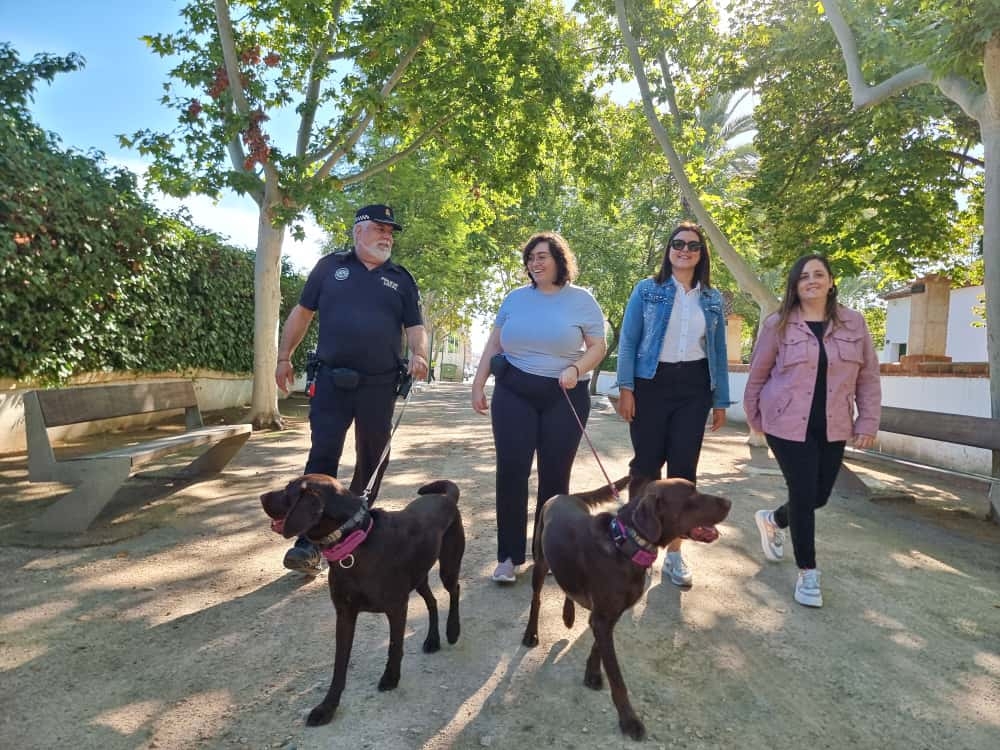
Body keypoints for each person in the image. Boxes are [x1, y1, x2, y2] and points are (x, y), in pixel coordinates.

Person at [274, 204, 429, 574]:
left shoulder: (401, 279)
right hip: (331, 380)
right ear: (358, 231)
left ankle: (354, 530)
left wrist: (419, 354)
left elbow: (415, 326)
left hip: (378, 386)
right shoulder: (329, 268)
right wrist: (283, 357)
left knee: (373, 459)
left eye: (391, 230)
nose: (387, 236)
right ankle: (307, 541)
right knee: (322, 457)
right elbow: (302, 312)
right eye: (379, 228)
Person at [743, 254, 880, 608]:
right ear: (795, 285)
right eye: (804, 276)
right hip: (785, 424)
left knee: (819, 496)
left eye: (819, 274)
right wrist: (754, 417)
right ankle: (808, 573)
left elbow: (868, 377)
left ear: (832, 281)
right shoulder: (779, 324)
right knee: (804, 494)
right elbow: (758, 374)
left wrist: (867, 420)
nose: (812, 281)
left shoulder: (854, 323)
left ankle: (773, 519)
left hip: (833, 424)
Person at [471, 231, 607, 584]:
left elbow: (598, 346)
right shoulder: (515, 298)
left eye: (542, 256)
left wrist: (576, 370)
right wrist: (477, 382)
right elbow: (493, 343)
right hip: (514, 390)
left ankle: (546, 553)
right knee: (512, 470)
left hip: (564, 393)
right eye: (530, 257)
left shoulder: (581, 300)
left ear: (560, 260)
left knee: (555, 477)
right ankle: (508, 557)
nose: (535, 262)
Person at [615, 221, 730, 587]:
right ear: (668, 249)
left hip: (694, 387)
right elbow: (629, 340)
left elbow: (719, 352)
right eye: (677, 244)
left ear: (701, 254)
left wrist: (720, 400)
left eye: (693, 246)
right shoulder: (647, 290)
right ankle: (637, 548)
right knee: (646, 467)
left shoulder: (712, 298)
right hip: (651, 383)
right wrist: (626, 388)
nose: (684, 250)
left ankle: (675, 554)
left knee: (684, 470)